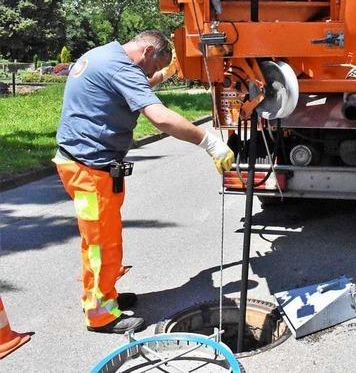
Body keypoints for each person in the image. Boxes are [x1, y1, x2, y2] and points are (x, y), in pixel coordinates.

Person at [53, 30, 234, 334]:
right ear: (149, 50)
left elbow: (133, 88)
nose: (148, 75)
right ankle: (99, 313)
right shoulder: (122, 68)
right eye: (150, 68)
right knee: (100, 243)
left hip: (80, 162)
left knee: (103, 237)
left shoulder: (104, 54)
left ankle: (104, 293)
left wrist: (163, 74)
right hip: (90, 169)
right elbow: (160, 117)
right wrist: (209, 142)